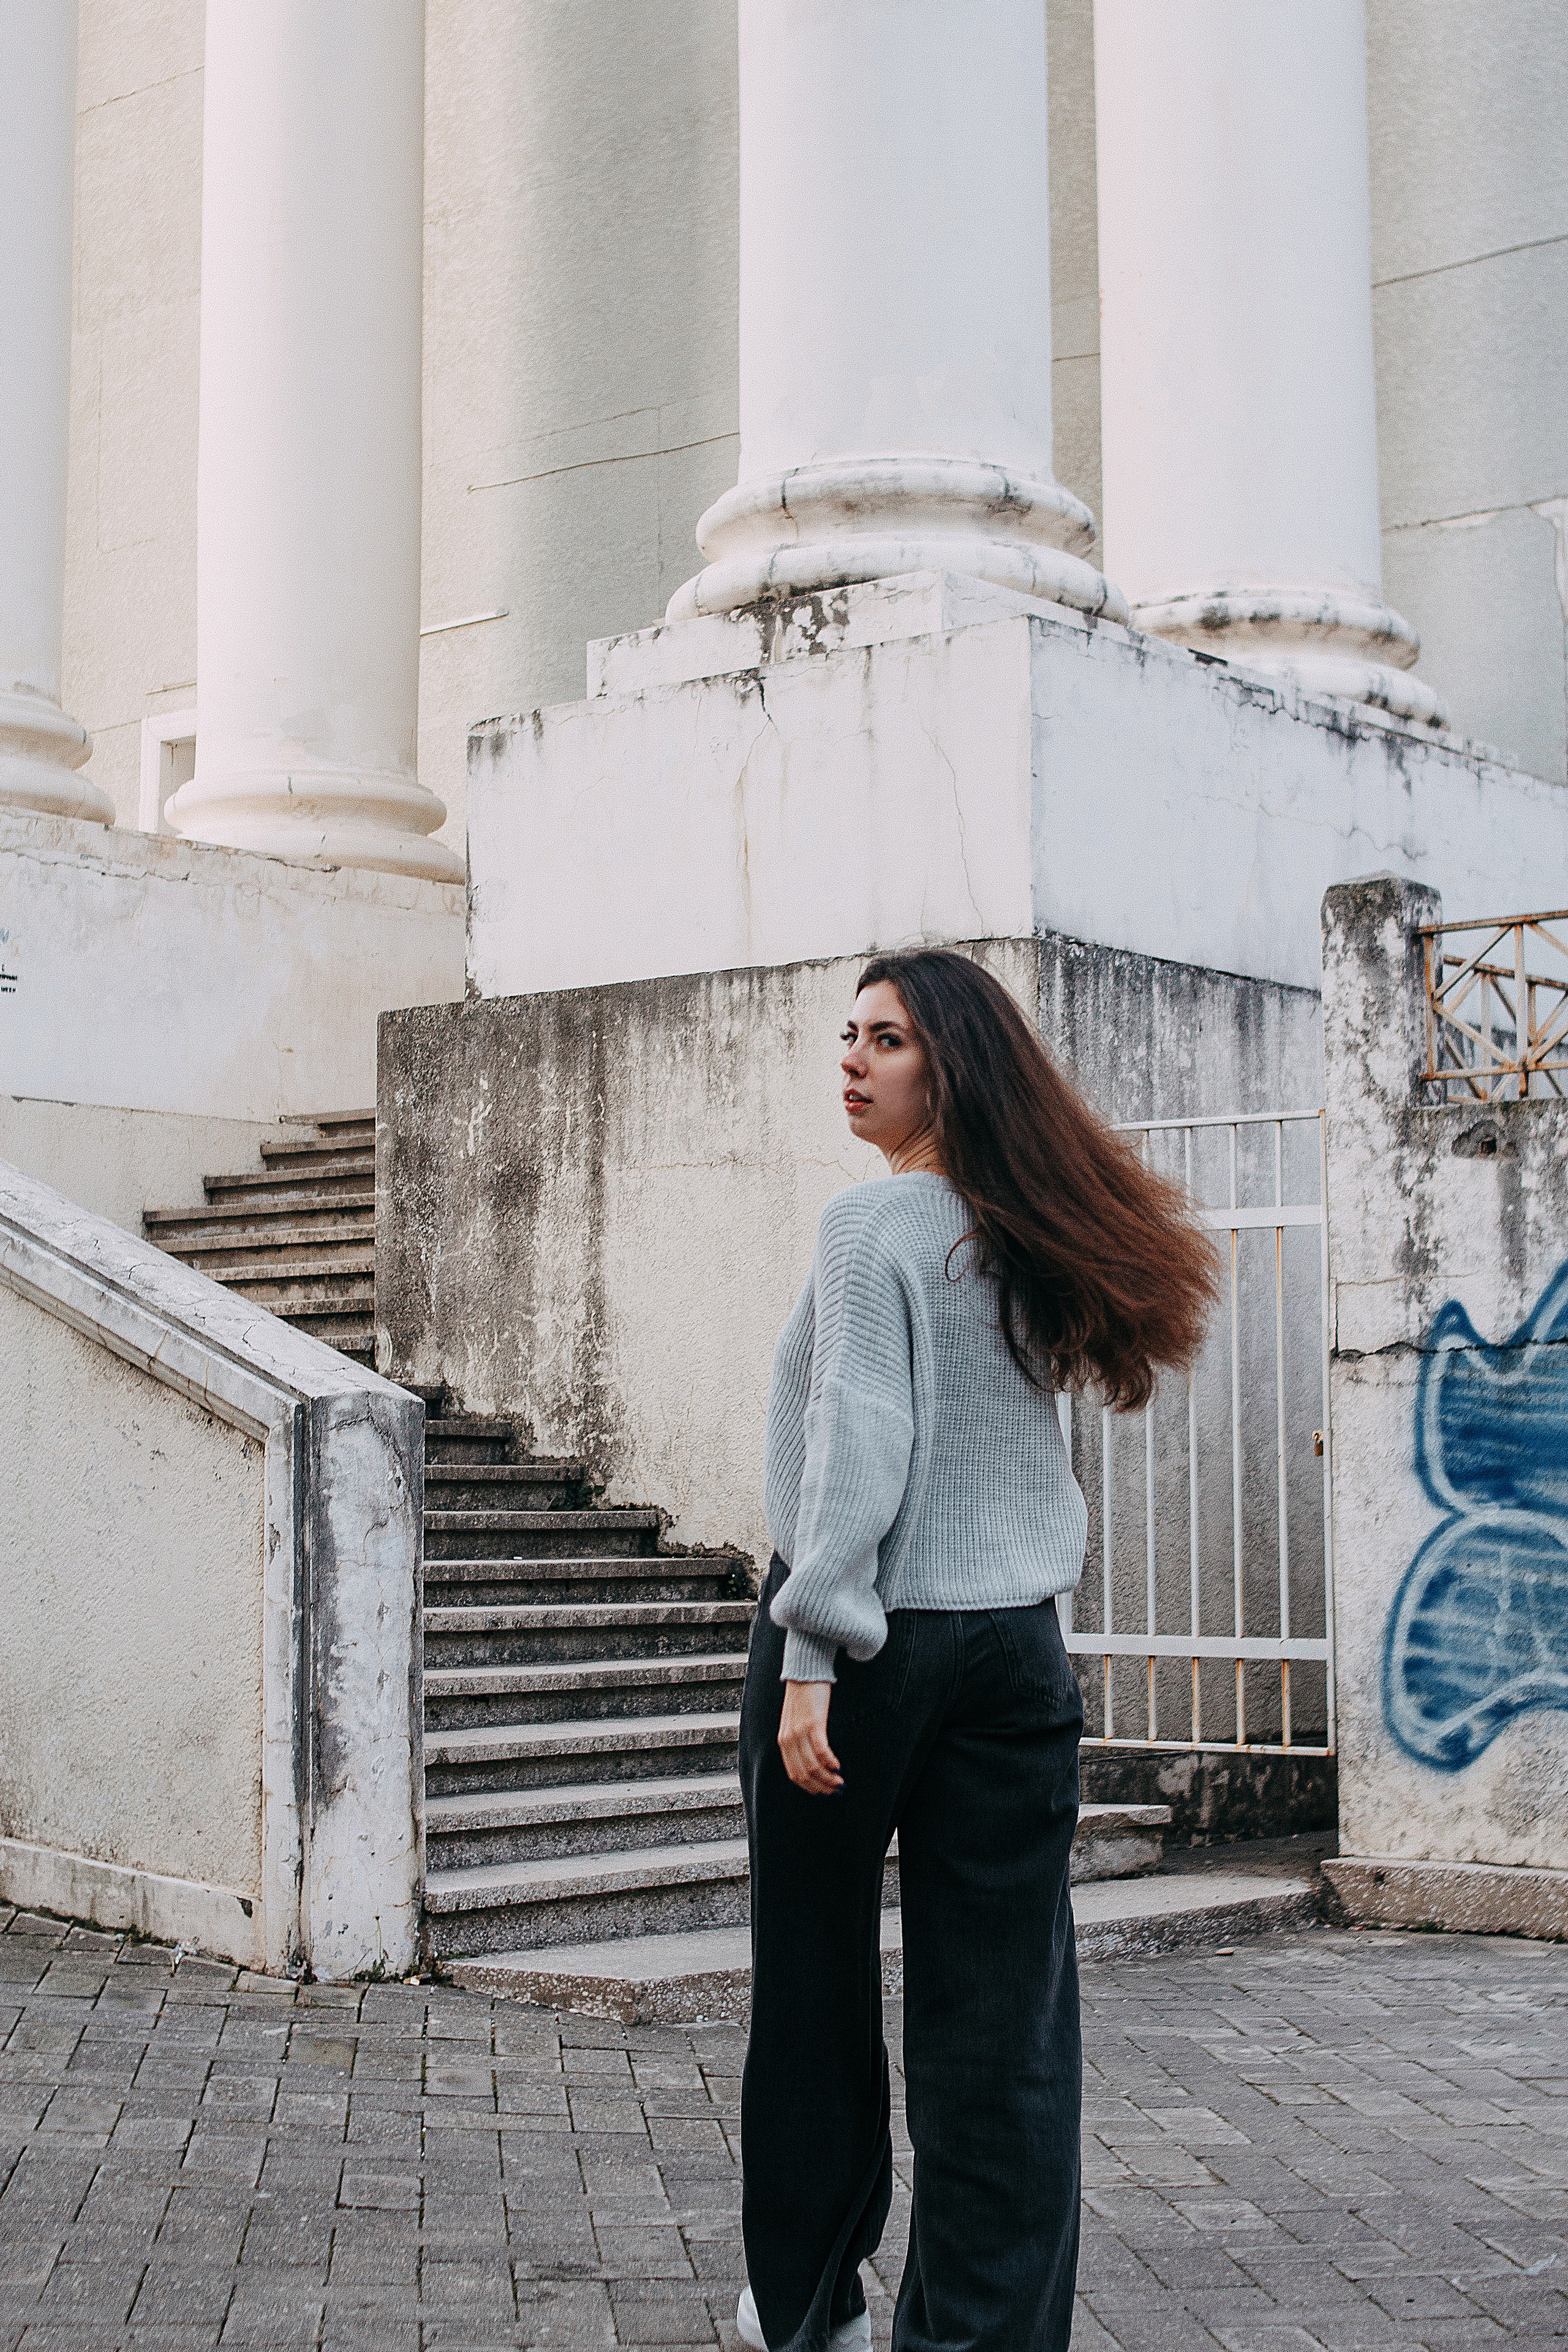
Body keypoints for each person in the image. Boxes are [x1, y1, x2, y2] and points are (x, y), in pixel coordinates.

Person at [736, 948, 1219, 2352]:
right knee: (1002, 2024)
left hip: (868, 1651)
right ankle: (983, 2336)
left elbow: (857, 1442)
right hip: (1017, 1656)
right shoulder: (1031, 1227)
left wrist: (815, 1644)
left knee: (816, 1989)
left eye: (883, 1039)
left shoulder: (870, 1225)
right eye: (846, 1036)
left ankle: (806, 2305)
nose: (851, 1059)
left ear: (948, 1063)